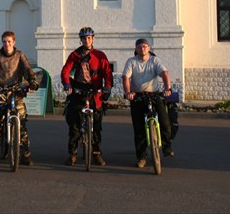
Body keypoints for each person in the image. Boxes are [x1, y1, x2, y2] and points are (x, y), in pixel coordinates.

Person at [0, 31, 39, 166]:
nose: (6, 44)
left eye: (9, 41)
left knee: (22, 125)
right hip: (0, 92)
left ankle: (26, 155)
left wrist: (32, 82)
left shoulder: (20, 55)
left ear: (14, 42)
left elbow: (28, 71)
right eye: (4, 41)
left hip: (15, 92)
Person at [61, 27, 113, 166]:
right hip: (78, 91)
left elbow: (107, 72)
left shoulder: (100, 55)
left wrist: (107, 87)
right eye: (84, 38)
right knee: (74, 125)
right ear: (81, 40)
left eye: (89, 38)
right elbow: (66, 71)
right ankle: (72, 154)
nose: (87, 40)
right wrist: (67, 84)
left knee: (96, 126)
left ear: (93, 39)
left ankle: (96, 154)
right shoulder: (75, 55)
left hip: (95, 92)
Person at [122, 38, 174, 168]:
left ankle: (167, 148)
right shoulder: (132, 61)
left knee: (165, 122)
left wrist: (167, 88)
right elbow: (126, 77)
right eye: (139, 46)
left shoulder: (154, 60)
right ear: (136, 49)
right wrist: (128, 92)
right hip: (137, 96)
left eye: (145, 46)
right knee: (139, 129)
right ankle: (142, 157)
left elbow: (164, 73)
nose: (142, 48)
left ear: (149, 48)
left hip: (154, 95)